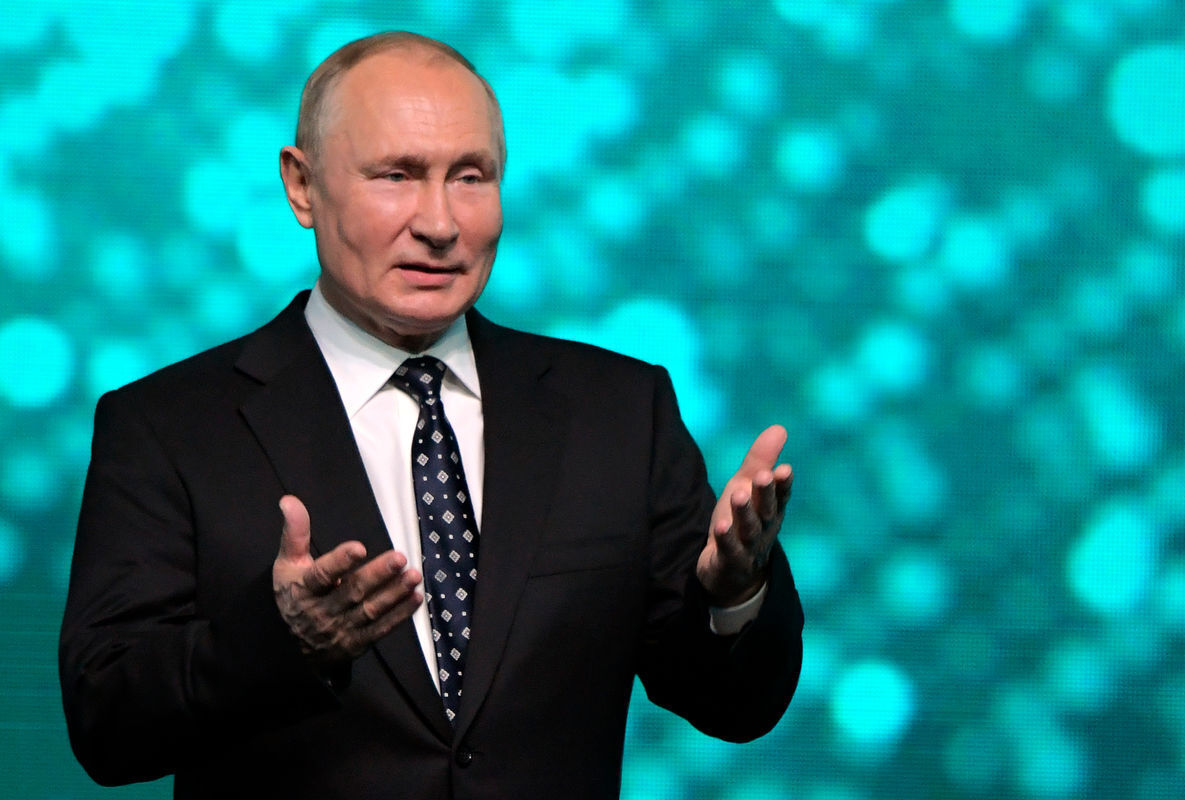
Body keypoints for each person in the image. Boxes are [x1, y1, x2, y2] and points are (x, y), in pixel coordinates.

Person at [59, 32, 803, 799]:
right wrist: (282, 640)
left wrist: (733, 594)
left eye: (470, 178)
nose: (441, 224)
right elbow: (105, 723)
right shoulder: (167, 426)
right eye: (398, 176)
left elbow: (737, 707)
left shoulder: (619, 411)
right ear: (302, 187)